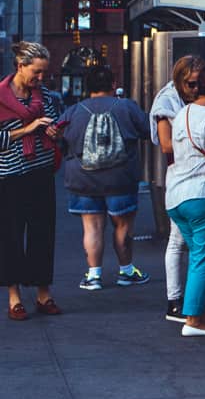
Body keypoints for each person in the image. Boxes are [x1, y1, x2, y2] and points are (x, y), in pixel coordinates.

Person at [58, 64, 152, 291]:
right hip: (120, 178)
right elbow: (148, 131)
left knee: (91, 228)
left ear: (86, 87)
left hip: (83, 179)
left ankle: (94, 276)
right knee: (123, 227)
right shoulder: (126, 107)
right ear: (113, 84)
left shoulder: (74, 111)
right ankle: (126, 271)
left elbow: (61, 139)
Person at [0, 42, 65, 320]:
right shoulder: (0, 96)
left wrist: (53, 132)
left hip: (40, 171)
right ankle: (14, 297)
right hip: (9, 176)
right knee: (10, 236)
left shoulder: (46, 96)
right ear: (20, 66)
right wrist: (25, 130)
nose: (40, 79)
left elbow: (56, 126)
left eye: (44, 73)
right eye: (36, 73)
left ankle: (43, 293)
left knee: (42, 233)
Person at [165, 63, 205, 337]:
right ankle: (194, 320)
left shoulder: (182, 114)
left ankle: (198, 312)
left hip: (175, 196)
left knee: (199, 258)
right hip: (202, 194)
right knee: (203, 259)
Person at [150, 54, 204, 323]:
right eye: (190, 84)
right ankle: (175, 299)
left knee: (192, 242)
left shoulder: (193, 101)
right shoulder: (167, 102)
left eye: (197, 84)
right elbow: (166, 144)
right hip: (181, 176)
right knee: (178, 240)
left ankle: (187, 298)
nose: (194, 90)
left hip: (196, 176)